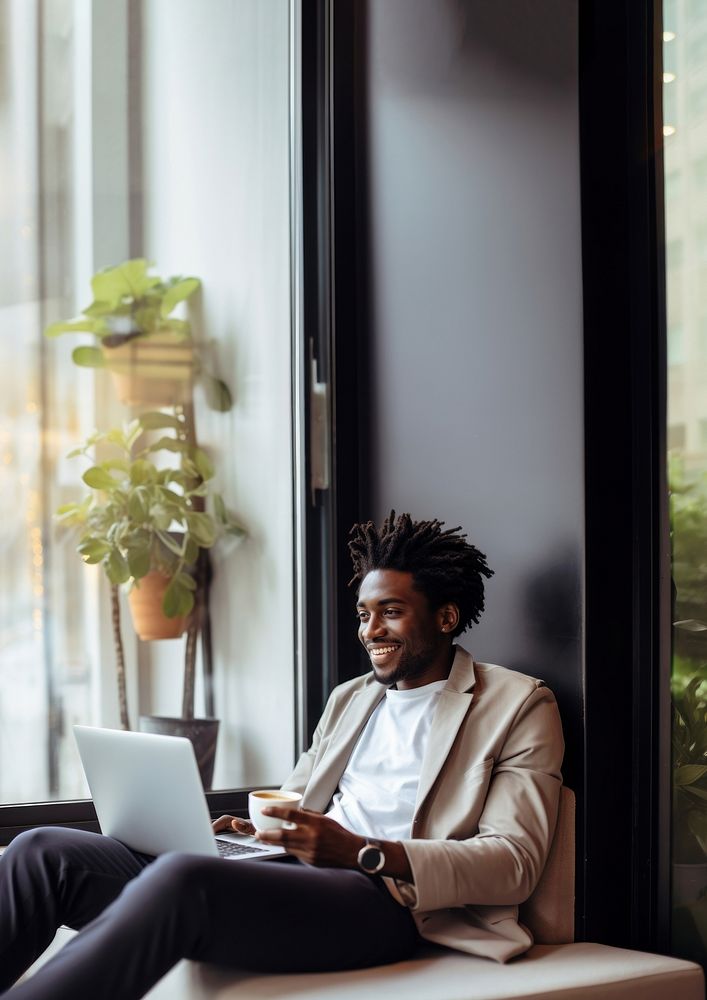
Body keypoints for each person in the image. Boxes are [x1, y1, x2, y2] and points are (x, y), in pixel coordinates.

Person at [0, 512, 564, 999]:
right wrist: (252, 831)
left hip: (386, 900)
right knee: (42, 850)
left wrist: (363, 851)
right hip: (295, 873)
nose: (371, 630)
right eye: (364, 614)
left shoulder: (518, 703)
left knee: (182, 881)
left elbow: (512, 863)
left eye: (390, 612)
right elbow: (294, 801)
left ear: (445, 616)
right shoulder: (352, 698)